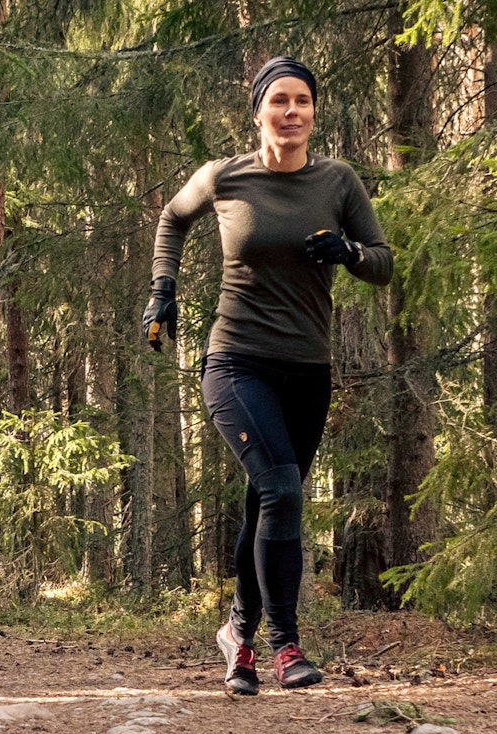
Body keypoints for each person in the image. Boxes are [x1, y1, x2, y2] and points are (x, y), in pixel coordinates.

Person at [142, 56, 393, 694]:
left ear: (313, 113)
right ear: (258, 112)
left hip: (308, 371)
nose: (291, 112)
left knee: (268, 503)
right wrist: (161, 292)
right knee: (282, 490)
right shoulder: (225, 177)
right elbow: (173, 217)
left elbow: (384, 263)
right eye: (278, 100)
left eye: (302, 101)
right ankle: (285, 646)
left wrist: (349, 252)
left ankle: (237, 635)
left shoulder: (338, 182)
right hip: (236, 361)